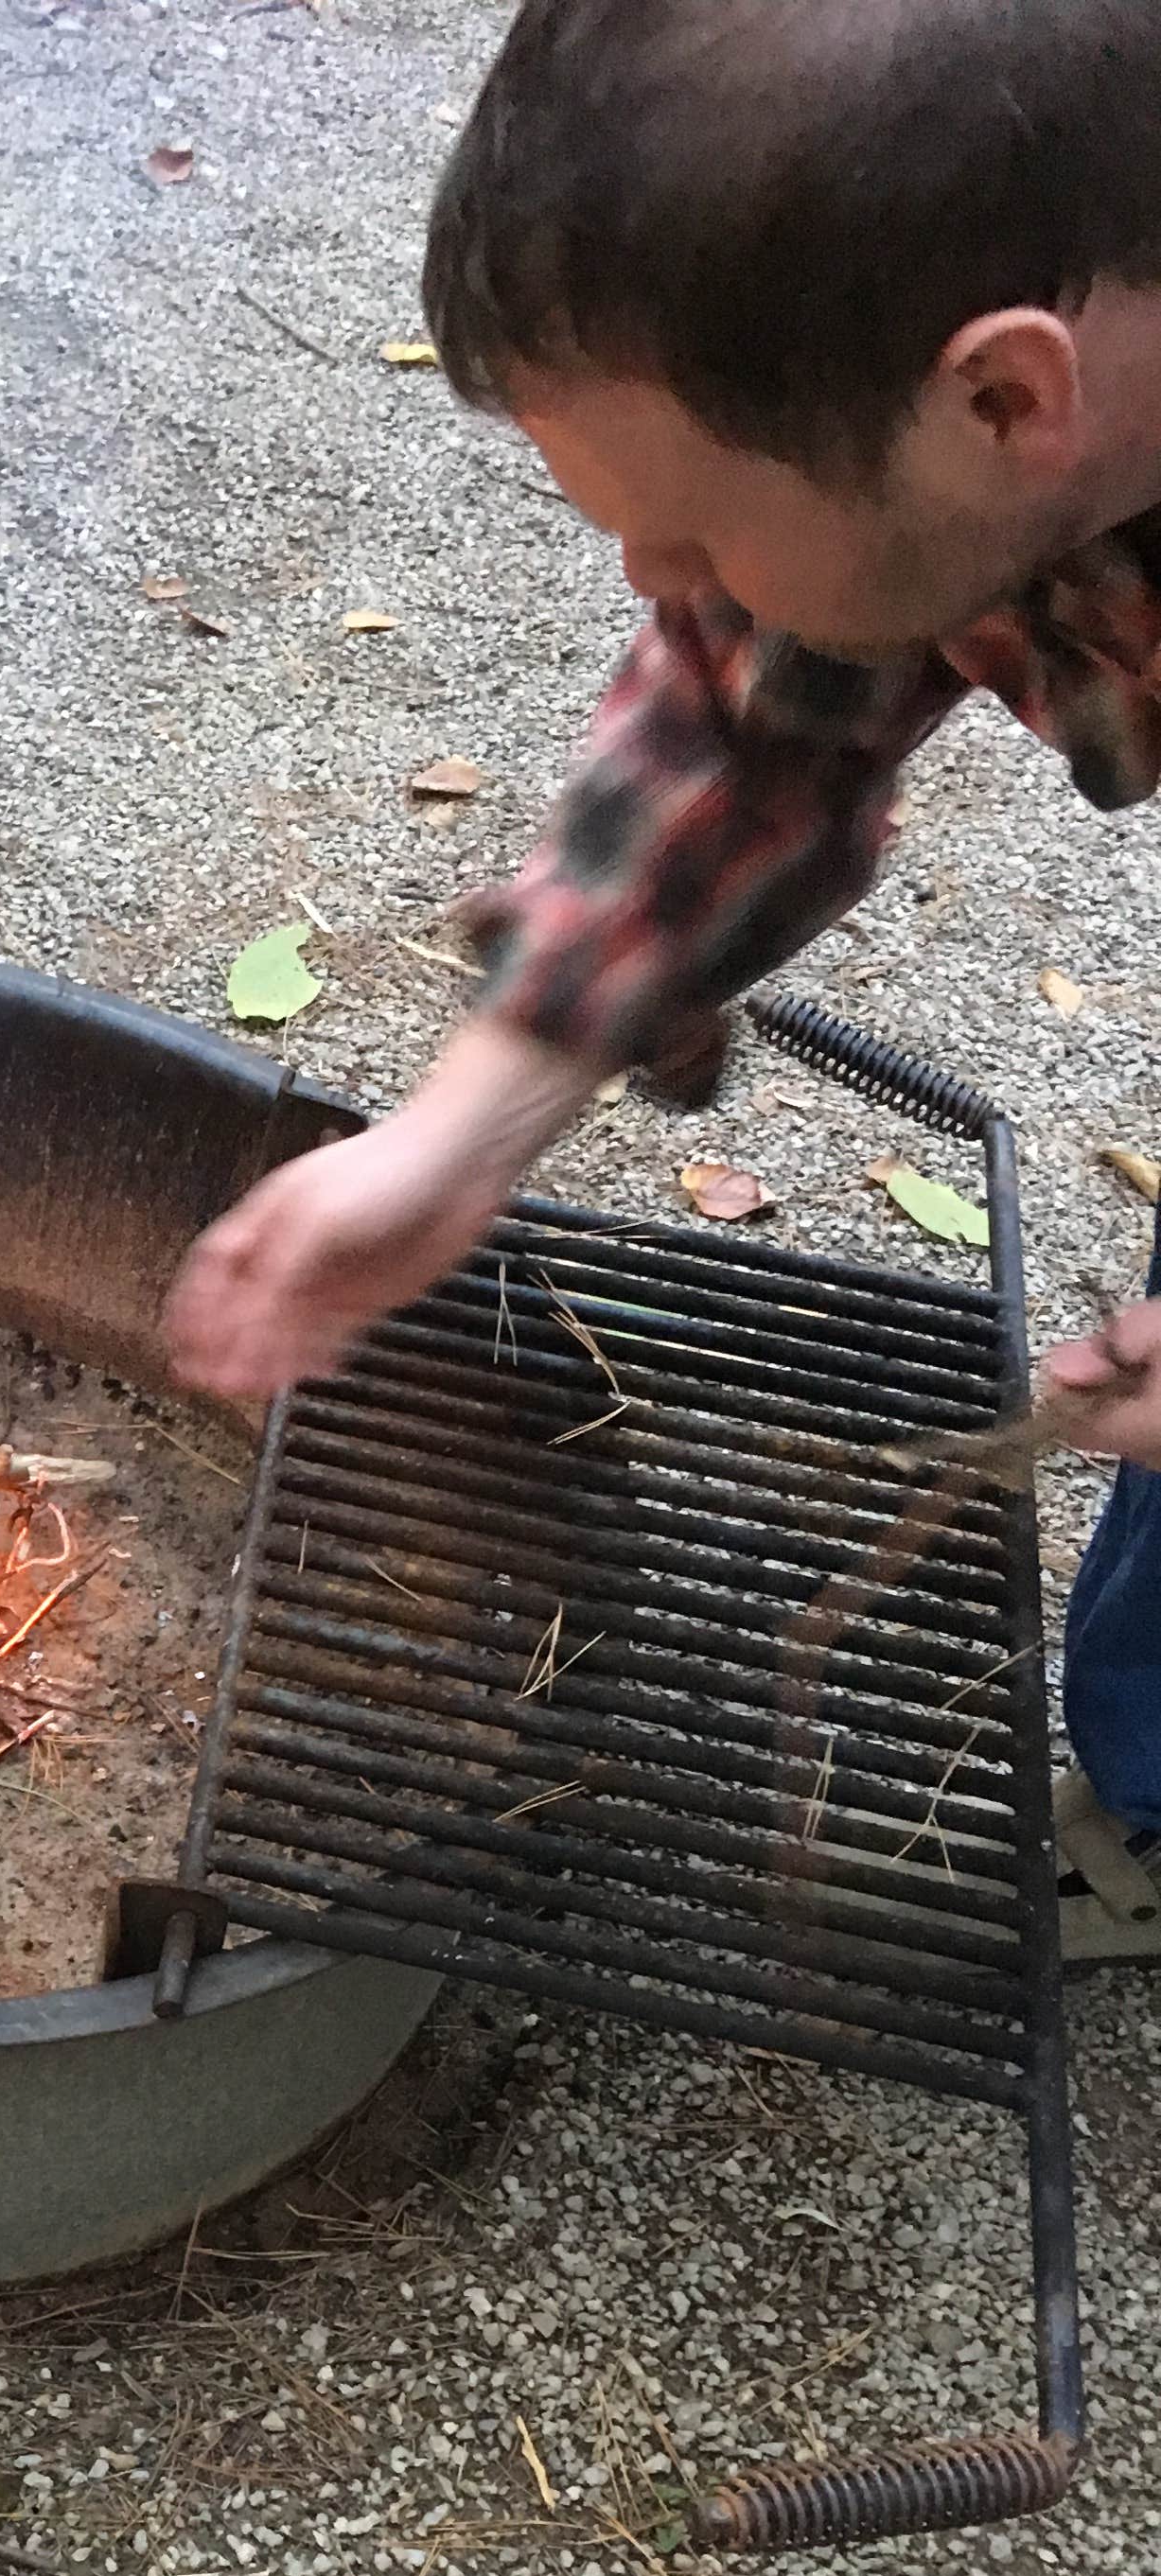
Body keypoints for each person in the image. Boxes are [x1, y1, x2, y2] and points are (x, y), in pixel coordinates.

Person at [161, 0, 1161, 1957]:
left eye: (692, 528)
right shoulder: (1006, 283)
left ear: (1005, 401)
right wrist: (464, 1132)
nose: (652, 580)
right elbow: (769, 701)